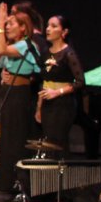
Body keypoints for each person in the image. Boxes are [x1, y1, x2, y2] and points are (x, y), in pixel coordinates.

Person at [0, 4, 40, 196]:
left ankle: (17, 183)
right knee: (6, 139)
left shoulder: (27, 44)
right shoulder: (15, 46)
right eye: (6, 24)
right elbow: (1, 61)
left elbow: (1, 48)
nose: (7, 27)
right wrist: (4, 74)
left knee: (16, 139)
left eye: (11, 24)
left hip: (20, 97)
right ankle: (5, 181)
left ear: (23, 27)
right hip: (8, 94)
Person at [37, 15, 85, 158]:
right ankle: (49, 176)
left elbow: (80, 82)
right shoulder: (45, 52)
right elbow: (44, 81)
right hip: (47, 103)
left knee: (58, 142)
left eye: (53, 26)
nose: (48, 29)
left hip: (63, 104)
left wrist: (58, 92)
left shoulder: (68, 53)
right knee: (48, 141)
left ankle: (60, 177)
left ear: (64, 32)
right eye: (47, 25)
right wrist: (39, 107)